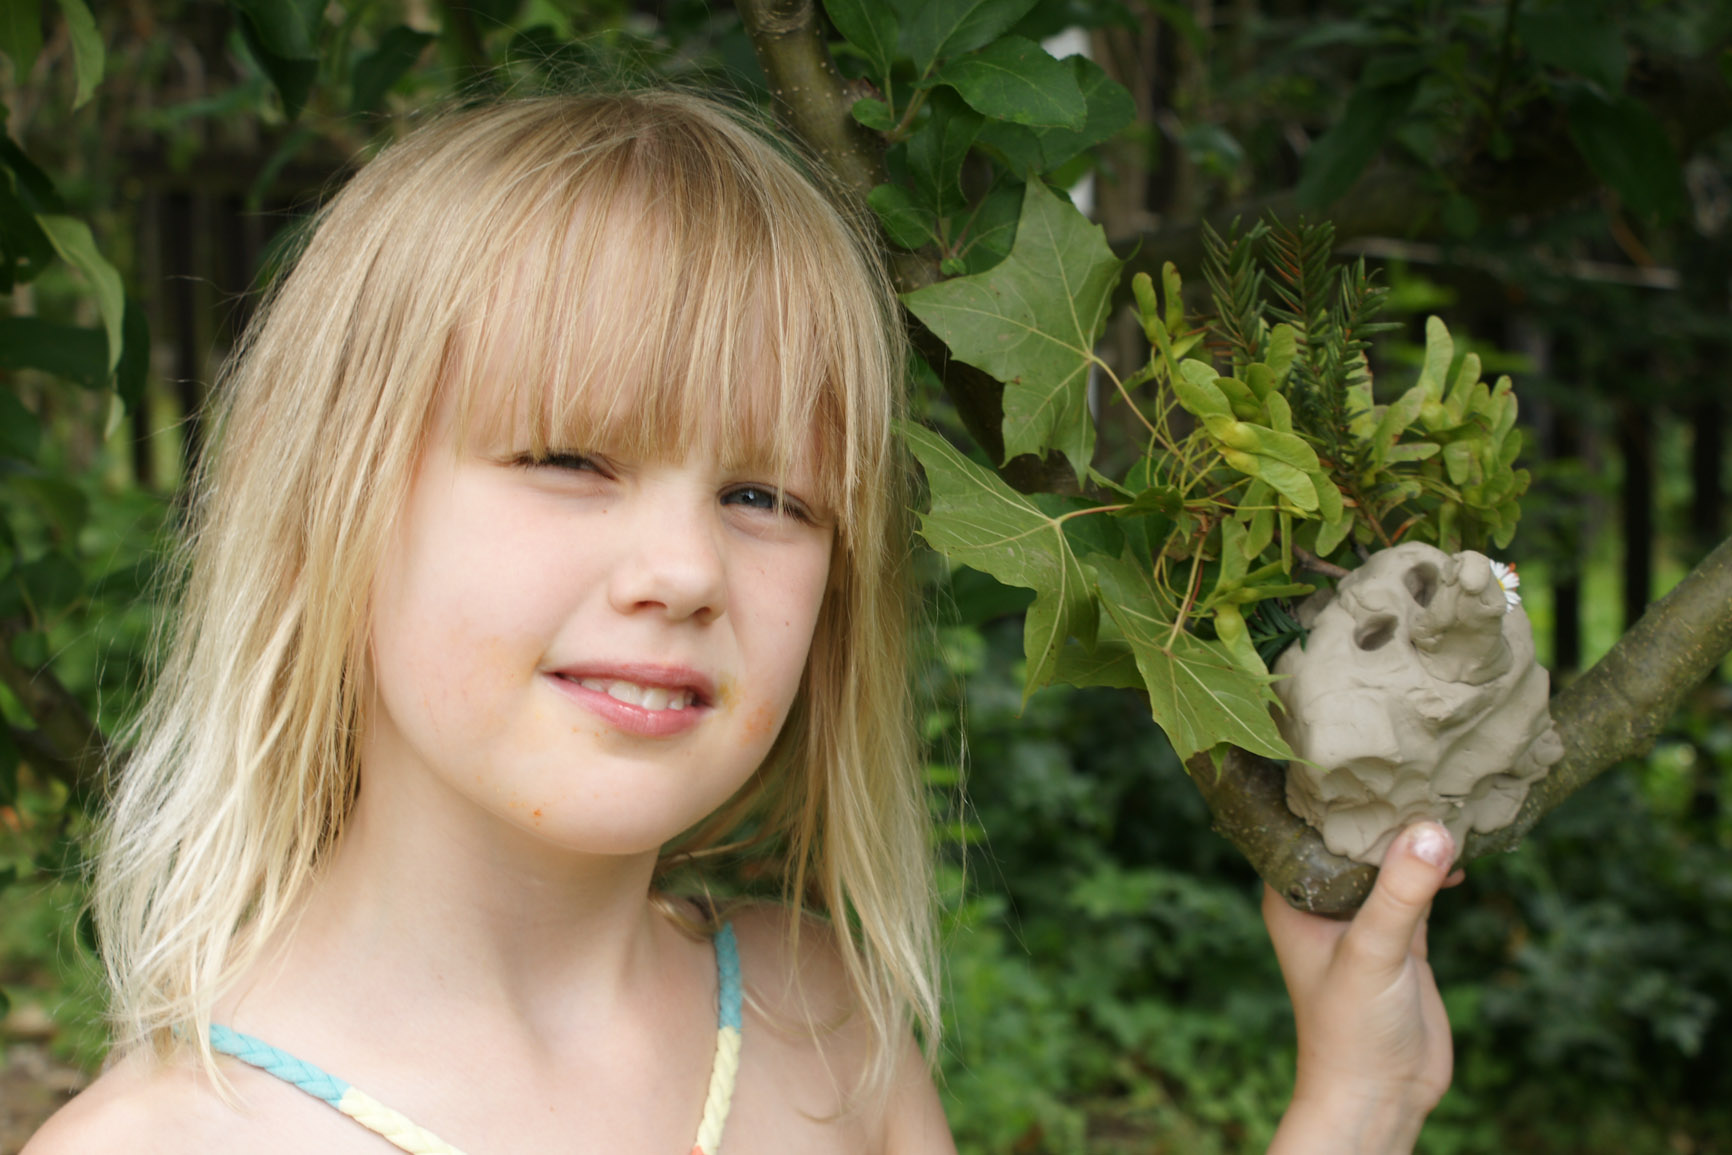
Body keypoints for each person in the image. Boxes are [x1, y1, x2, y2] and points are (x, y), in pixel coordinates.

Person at [25, 89, 1458, 1155]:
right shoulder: (163, 1144)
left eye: (767, 496)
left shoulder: (817, 1028)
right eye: (570, 458)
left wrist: (1361, 1102)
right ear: (326, 505)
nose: (686, 569)